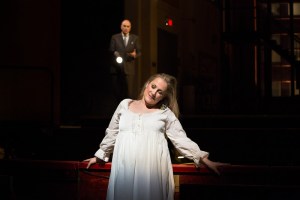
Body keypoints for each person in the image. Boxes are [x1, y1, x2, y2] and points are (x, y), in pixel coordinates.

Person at [84, 73, 225, 200]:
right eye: (153, 86)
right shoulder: (125, 105)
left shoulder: (164, 113)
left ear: (163, 97)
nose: (153, 93)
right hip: (124, 169)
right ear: (147, 84)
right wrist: (101, 154)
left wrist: (203, 158)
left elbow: (180, 139)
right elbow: (112, 132)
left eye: (159, 92)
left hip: (151, 172)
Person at [109, 19, 141, 102]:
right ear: (121, 27)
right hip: (116, 68)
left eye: (128, 26)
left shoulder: (135, 38)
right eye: (124, 26)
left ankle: (127, 110)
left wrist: (135, 55)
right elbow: (111, 50)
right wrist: (116, 54)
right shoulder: (115, 37)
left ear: (130, 28)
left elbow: (139, 52)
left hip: (129, 69)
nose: (126, 28)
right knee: (116, 91)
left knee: (128, 92)